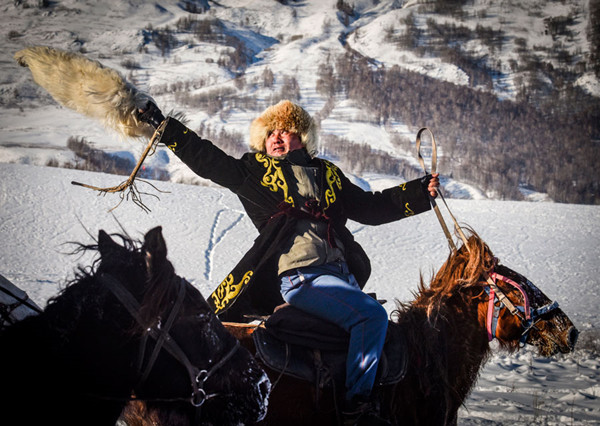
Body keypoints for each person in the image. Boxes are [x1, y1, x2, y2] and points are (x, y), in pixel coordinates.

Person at [138, 100, 439, 425]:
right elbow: (208, 160)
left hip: (344, 280)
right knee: (372, 318)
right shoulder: (254, 172)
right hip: (302, 279)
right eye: (270, 132)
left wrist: (420, 192)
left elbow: (371, 207)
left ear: (303, 136)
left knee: (383, 337)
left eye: (286, 129)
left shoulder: (329, 174)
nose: (277, 136)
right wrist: (163, 126)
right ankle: (358, 408)